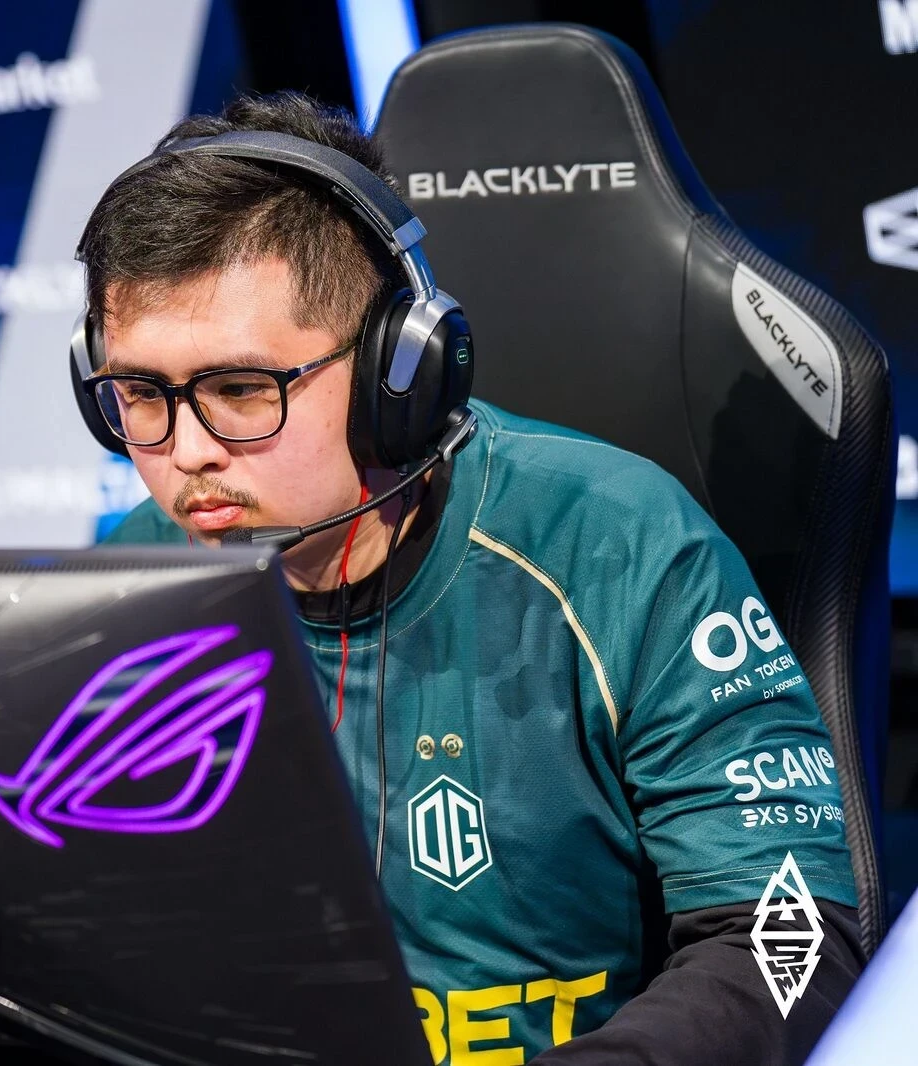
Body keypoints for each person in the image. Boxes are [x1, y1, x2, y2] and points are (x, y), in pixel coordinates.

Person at [76, 91, 862, 1065]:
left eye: (240, 390)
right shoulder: (131, 587)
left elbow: (787, 937)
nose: (186, 452)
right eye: (139, 394)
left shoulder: (620, 547)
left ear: (396, 374)